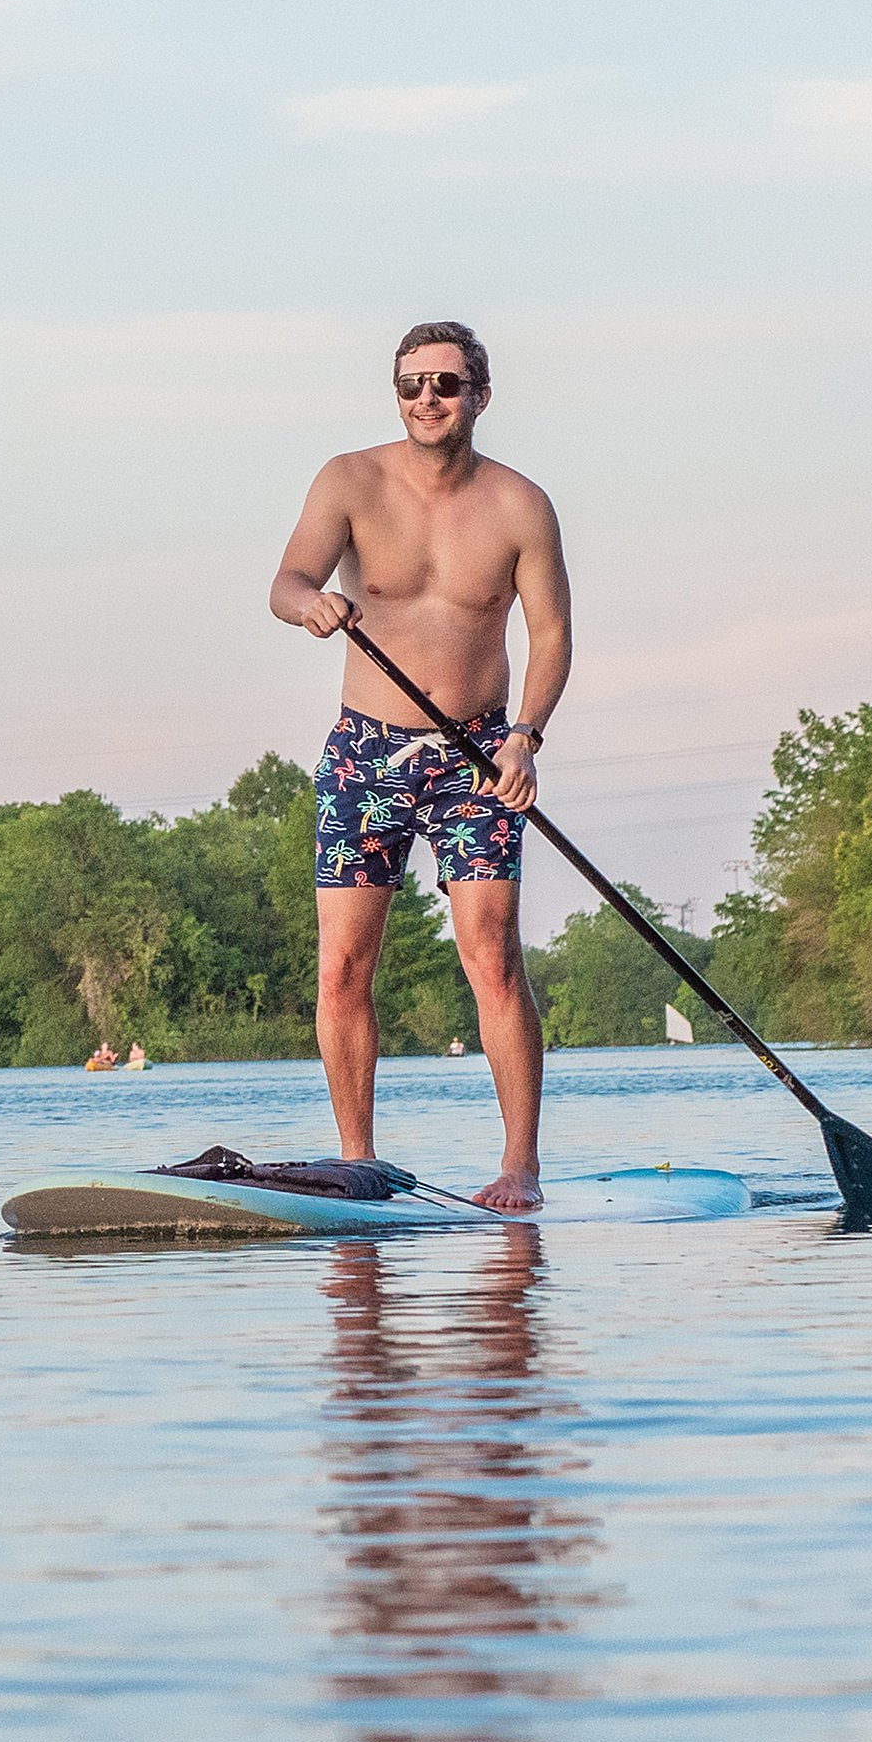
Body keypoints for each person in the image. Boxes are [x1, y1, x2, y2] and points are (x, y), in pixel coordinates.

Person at [269, 319, 571, 1211]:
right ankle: (357, 1159)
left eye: (445, 383)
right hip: (365, 752)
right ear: (395, 394)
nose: (427, 399)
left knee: (492, 956)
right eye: (410, 385)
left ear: (480, 393)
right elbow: (284, 581)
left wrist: (525, 738)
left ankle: (521, 1165)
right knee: (343, 966)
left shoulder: (521, 504)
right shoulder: (350, 480)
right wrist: (309, 606)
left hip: (479, 757)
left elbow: (550, 634)